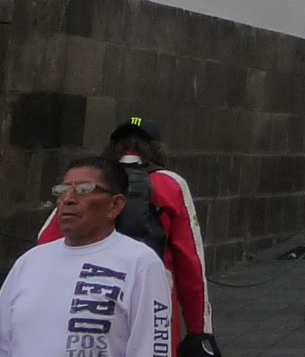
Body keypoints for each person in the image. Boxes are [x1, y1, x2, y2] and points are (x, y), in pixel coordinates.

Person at [30, 119, 212, 350]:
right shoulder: (170, 184)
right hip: (155, 299)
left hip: (89, 299)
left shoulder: (89, 186)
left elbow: (46, 242)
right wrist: (200, 331)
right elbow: (191, 263)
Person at [0, 157, 173, 357]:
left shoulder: (140, 263)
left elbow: (153, 347)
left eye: (84, 190)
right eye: (63, 190)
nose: (68, 199)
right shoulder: (29, 262)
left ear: (115, 205)